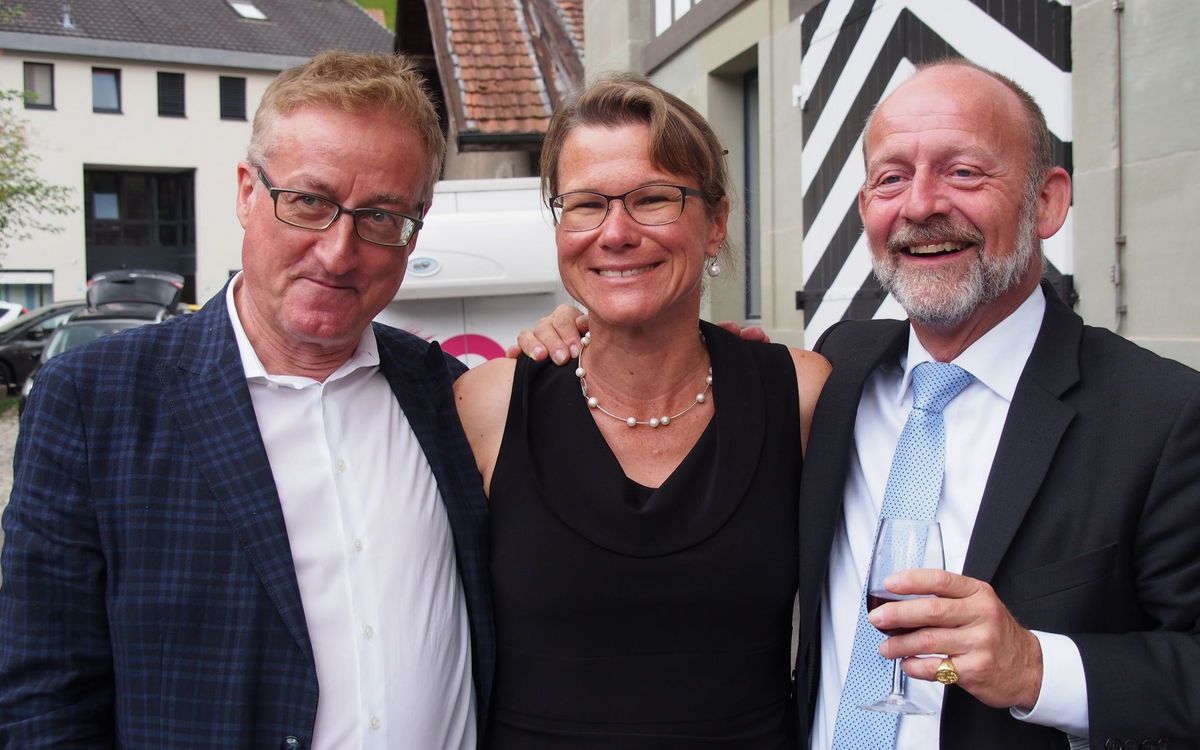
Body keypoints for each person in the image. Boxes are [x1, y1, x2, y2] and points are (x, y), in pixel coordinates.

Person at [521, 59, 1200, 750]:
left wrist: (1035, 668)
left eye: (964, 172)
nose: (921, 206)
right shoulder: (834, 375)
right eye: (891, 178)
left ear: (1047, 202)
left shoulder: (1161, 416)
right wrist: (601, 328)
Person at [0, 51, 493, 750]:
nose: (338, 252)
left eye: (381, 216)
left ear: (416, 226)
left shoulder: (447, 393)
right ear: (245, 192)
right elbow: (42, 697)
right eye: (309, 202)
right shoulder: (95, 402)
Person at [453, 73, 830, 748]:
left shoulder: (798, 395)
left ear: (715, 224)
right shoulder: (489, 403)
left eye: (653, 199)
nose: (616, 233)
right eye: (586, 204)